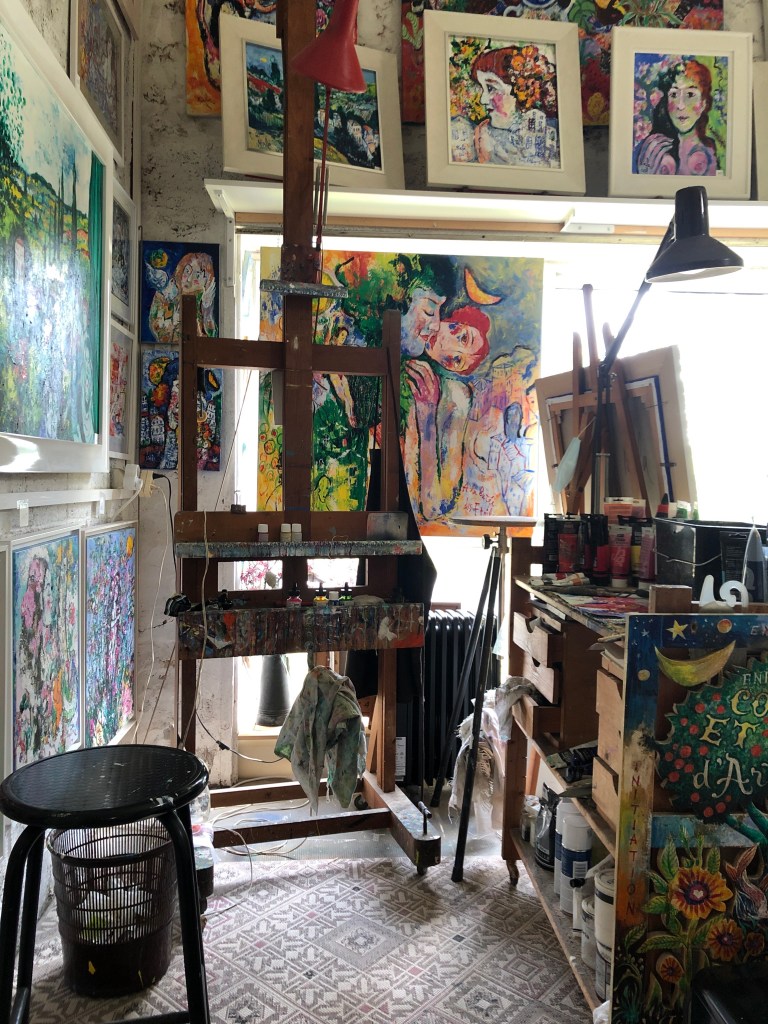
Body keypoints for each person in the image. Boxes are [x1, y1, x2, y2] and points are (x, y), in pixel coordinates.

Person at [404, 306, 491, 522]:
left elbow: (435, 507)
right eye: (462, 337)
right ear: (453, 318)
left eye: (457, 361)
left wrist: (427, 415)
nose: (449, 353)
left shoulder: (454, 398)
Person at [456, 44, 559, 167]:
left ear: (522, 91)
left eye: (491, 88)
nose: (483, 100)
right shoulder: (482, 137)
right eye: (482, 88)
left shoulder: (551, 136)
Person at [633, 59, 718, 176]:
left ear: (703, 104)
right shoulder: (655, 147)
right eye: (674, 94)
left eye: (690, 94)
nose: (681, 105)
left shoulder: (710, 153)